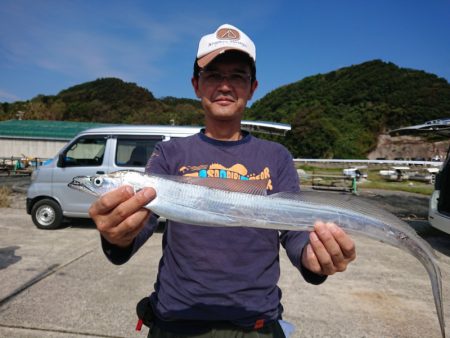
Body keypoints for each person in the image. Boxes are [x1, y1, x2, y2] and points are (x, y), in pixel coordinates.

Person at [89, 23, 356, 338]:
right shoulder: (170, 153)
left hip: (257, 324)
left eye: (237, 76)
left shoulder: (276, 156)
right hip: (176, 322)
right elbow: (139, 224)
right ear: (196, 85)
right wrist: (117, 237)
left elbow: (293, 229)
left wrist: (313, 259)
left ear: (253, 87)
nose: (225, 86)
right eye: (213, 75)